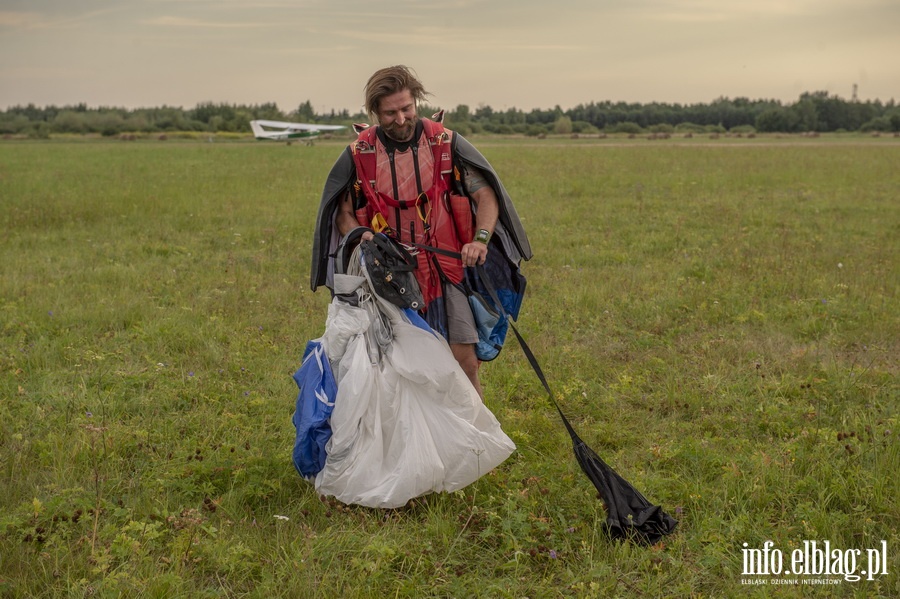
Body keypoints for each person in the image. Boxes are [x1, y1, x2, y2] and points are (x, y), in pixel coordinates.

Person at [310, 65, 531, 396]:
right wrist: (362, 235)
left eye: (406, 109)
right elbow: (342, 212)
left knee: (465, 360)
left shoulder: (444, 143)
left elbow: (485, 194)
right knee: (397, 368)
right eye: (390, 113)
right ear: (374, 113)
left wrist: (480, 239)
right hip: (388, 275)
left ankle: (475, 442)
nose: (400, 119)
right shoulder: (360, 153)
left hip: (446, 270)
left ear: (416, 102)